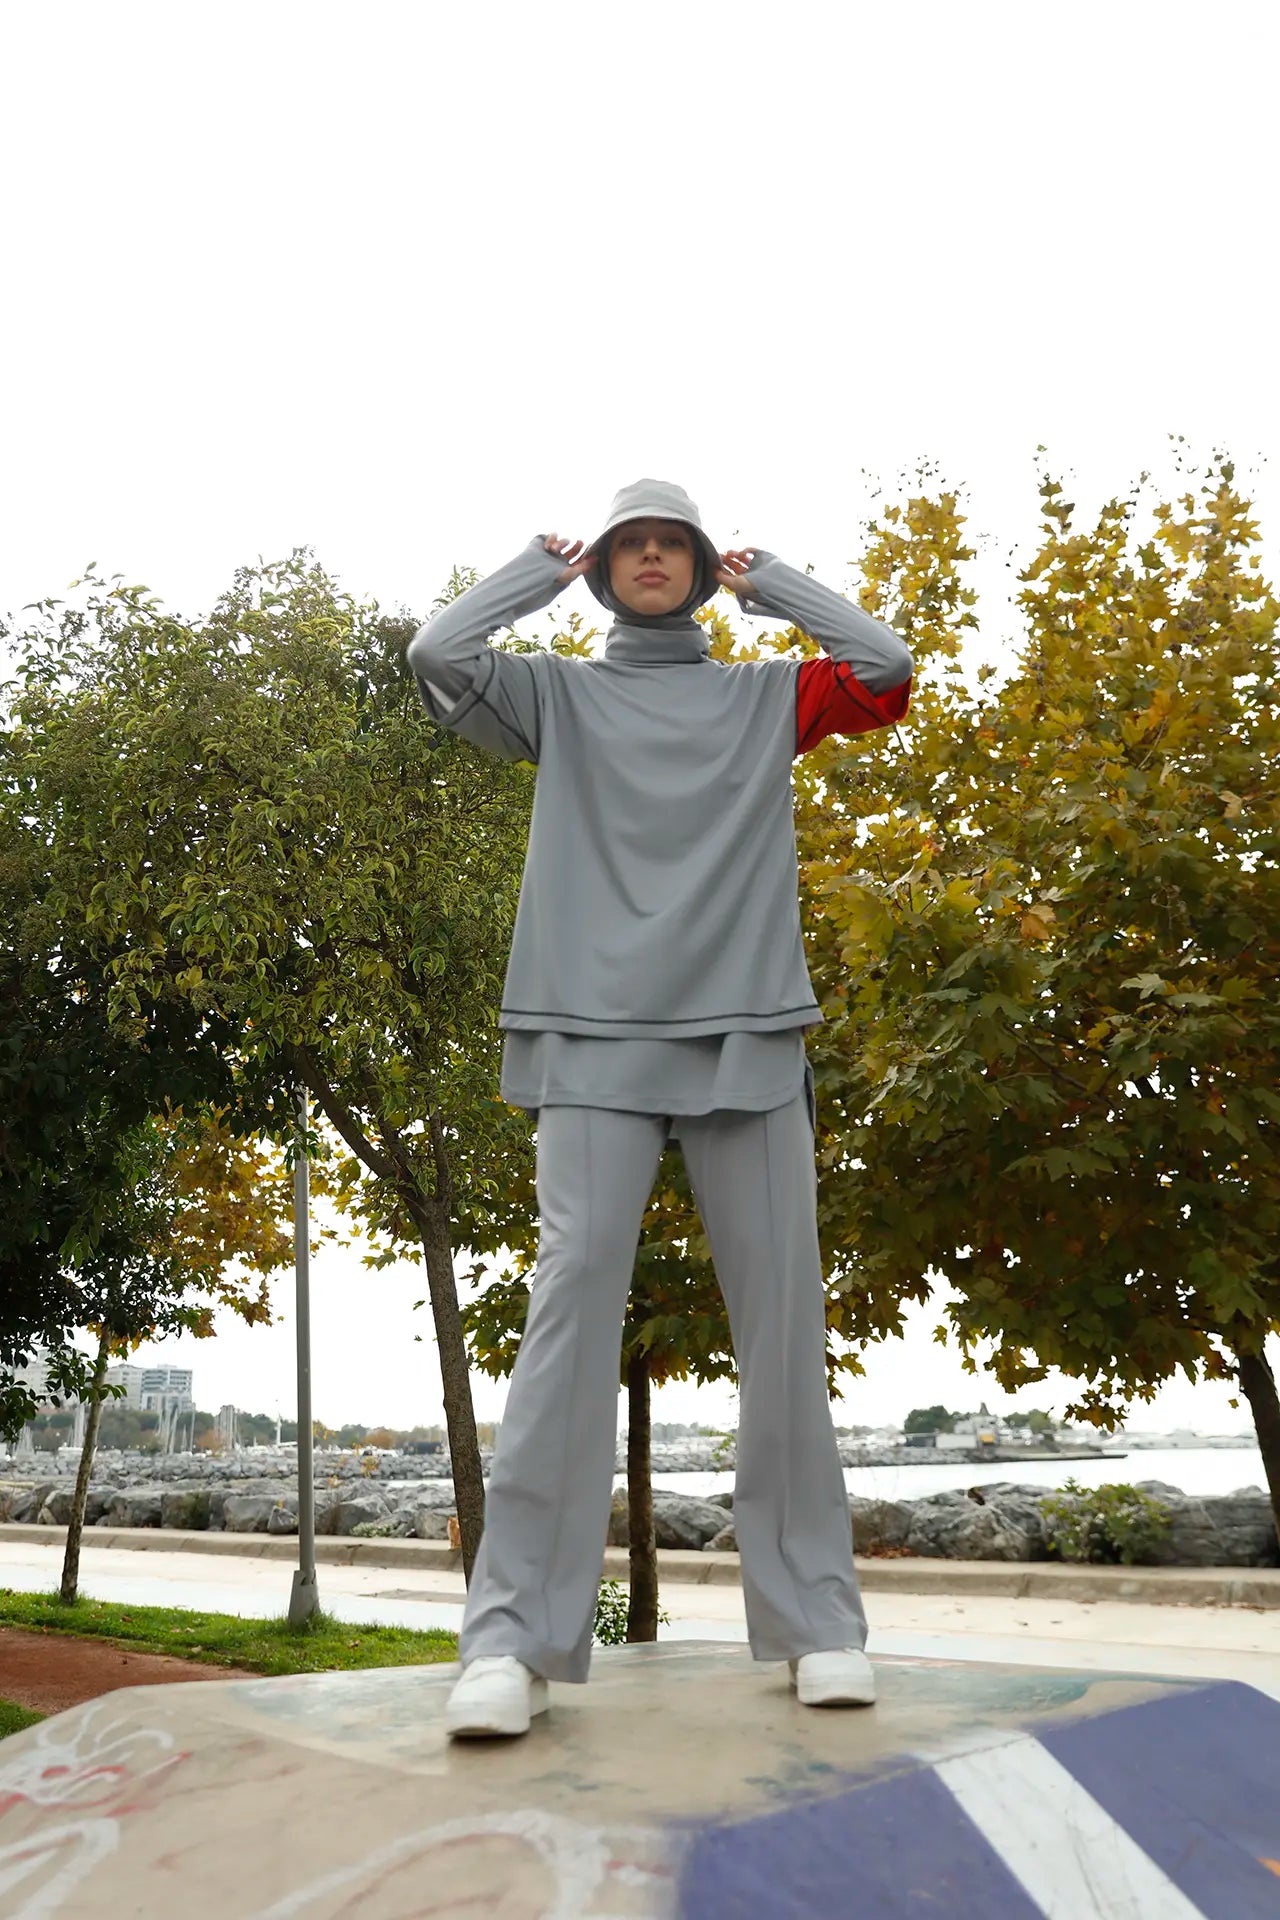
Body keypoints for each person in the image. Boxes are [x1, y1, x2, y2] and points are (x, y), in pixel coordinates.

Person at [406, 479, 912, 1740]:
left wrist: (770, 582)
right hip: (587, 1033)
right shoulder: (555, 696)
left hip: (745, 1029)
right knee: (568, 1311)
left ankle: (818, 1625)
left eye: (666, 544)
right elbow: (437, 655)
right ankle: (510, 1644)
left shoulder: (764, 696)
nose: (646, 557)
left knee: (783, 1323)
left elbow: (884, 665)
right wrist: (530, 572)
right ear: (601, 570)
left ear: (695, 565)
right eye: (626, 543)